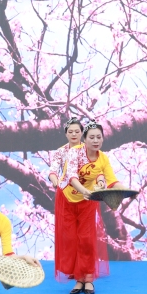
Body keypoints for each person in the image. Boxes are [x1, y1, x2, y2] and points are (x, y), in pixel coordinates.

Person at [55, 120, 129, 294]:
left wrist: (128, 190)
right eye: (92, 137)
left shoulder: (103, 158)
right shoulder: (75, 153)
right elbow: (72, 177)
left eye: (99, 137)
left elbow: (112, 181)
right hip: (67, 198)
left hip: (88, 202)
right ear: (85, 139)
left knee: (86, 239)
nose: (96, 140)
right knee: (71, 239)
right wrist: (84, 191)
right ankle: (77, 278)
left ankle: (87, 278)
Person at [49, 118, 84, 278]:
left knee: (84, 234)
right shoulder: (60, 152)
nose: (74, 134)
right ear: (66, 134)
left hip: (85, 195)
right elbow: (52, 171)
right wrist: (56, 182)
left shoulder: (88, 150)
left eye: (77, 131)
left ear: (82, 133)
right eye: (70, 132)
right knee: (69, 234)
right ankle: (72, 269)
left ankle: (83, 268)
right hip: (65, 195)